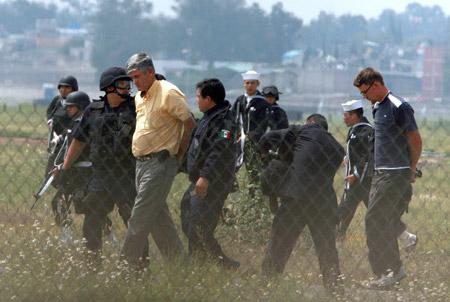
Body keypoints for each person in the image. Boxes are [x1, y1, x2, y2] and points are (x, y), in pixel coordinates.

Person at [55, 67, 146, 264]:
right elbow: (78, 141)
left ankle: (139, 265)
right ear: (108, 87)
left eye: (127, 83)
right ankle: (92, 261)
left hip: (127, 175)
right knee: (92, 219)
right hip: (101, 176)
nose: (127, 87)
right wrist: (65, 167)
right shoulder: (93, 110)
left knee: (133, 221)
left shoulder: (138, 108)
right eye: (121, 83)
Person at [120, 53, 196, 267]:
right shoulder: (139, 97)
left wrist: (179, 155)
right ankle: (180, 267)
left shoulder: (168, 92)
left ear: (150, 72)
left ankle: (124, 266)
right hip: (141, 164)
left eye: (137, 76)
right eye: (132, 78)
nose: (134, 82)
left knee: (139, 217)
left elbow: (189, 123)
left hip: (160, 164)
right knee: (158, 220)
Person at [353, 67, 422, 289]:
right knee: (384, 220)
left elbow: (415, 140)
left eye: (365, 92)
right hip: (380, 173)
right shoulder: (377, 107)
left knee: (374, 220)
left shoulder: (398, 105)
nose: (363, 97)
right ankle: (393, 271)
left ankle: (389, 271)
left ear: (375, 85)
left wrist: (410, 169)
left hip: (395, 174)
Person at [259, 117, 344, 292]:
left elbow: (266, 138)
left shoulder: (303, 130)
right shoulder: (337, 147)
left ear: (310, 122)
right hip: (323, 201)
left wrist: (269, 160)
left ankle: (268, 285)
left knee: (280, 242)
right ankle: (335, 289)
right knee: (326, 247)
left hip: (296, 196)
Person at [180, 78, 239, 269]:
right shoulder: (208, 117)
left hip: (213, 182)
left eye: (198, 96)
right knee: (188, 215)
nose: (196, 100)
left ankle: (217, 264)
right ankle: (208, 261)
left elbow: (218, 150)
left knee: (198, 224)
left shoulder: (225, 122)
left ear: (209, 99)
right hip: (200, 179)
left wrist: (205, 177)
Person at [52, 91, 91, 227]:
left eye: (71, 106)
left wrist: (63, 166)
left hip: (85, 172)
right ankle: (65, 232)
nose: (67, 109)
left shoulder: (87, 124)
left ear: (81, 107)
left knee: (87, 207)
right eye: (67, 106)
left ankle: (109, 234)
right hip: (72, 171)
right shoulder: (74, 124)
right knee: (58, 201)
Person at [337, 100, 373, 241]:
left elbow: (367, 156)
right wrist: (347, 157)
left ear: (354, 115)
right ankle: (339, 236)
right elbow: (356, 152)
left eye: (345, 115)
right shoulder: (355, 130)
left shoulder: (366, 131)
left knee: (344, 209)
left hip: (360, 181)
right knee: (346, 209)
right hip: (357, 181)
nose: (343, 118)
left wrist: (356, 175)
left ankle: (337, 236)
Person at [232, 70, 270, 196]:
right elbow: (232, 119)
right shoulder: (240, 100)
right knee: (229, 167)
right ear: (244, 84)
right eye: (247, 83)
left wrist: (247, 138)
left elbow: (262, 126)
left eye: (252, 83)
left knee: (253, 172)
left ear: (257, 84)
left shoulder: (262, 103)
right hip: (238, 140)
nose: (249, 86)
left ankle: (254, 197)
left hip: (254, 143)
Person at [45, 75, 78, 175]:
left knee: (64, 170)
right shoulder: (57, 100)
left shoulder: (77, 102)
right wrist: (50, 121)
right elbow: (49, 112)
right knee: (49, 172)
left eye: (67, 87)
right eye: (61, 87)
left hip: (69, 140)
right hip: (55, 141)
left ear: (74, 89)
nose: (63, 90)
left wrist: (64, 135)